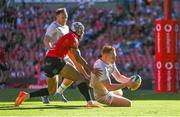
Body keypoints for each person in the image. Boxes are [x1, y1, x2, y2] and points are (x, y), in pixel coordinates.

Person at [15, 22, 102, 107]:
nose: (82, 33)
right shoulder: (73, 38)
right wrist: (91, 70)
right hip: (56, 60)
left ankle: (25, 95)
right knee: (80, 78)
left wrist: (86, 73)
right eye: (82, 31)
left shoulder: (67, 37)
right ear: (79, 31)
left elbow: (75, 60)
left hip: (48, 61)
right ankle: (90, 102)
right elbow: (78, 59)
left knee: (51, 91)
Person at [42, 8, 99, 107]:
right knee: (56, 80)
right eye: (63, 17)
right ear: (57, 17)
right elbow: (46, 39)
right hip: (55, 56)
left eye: (66, 17)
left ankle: (59, 92)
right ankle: (47, 94)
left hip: (65, 54)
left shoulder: (67, 27)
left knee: (74, 74)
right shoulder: (53, 26)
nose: (65, 19)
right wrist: (50, 49)